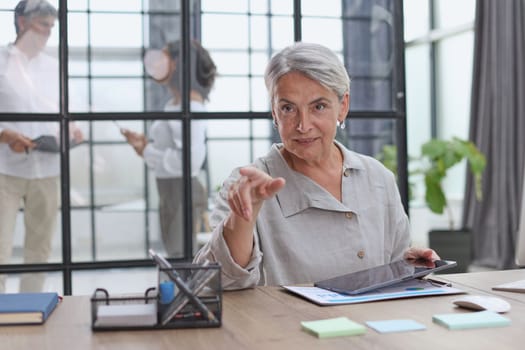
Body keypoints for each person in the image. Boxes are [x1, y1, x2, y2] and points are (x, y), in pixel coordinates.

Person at [193, 42, 439, 290]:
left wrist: (408, 266)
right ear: (275, 113)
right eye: (288, 108)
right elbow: (215, 282)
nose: (303, 125)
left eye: (318, 106)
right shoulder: (247, 184)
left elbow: (392, 264)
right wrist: (241, 219)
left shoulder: (377, 177)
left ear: (343, 107)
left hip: (373, 325)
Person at [0, 0, 83, 292]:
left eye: (51, 25)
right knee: (0, 246)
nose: (48, 31)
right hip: (5, 171)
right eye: (42, 24)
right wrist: (4, 133)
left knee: (40, 248)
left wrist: (72, 130)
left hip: (47, 169)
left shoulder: (54, 67)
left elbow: (65, 111)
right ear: (22, 23)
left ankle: (29, 306)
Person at [122, 40, 217, 258]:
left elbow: (188, 161)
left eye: (163, 57)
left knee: (181, 258)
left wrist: (147, 151)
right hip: (170, 189)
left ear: (177, 64)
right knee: (177, 256)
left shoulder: (190, 106)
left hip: (180, 190)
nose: (156, 63)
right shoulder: (175, 102)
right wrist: (145, 146)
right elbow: (171, 150)